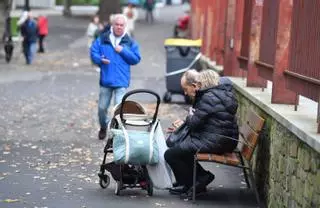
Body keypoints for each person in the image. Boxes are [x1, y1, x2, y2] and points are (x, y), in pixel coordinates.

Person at [164, 69, 239, 198]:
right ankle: (192, 182)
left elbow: (194, 123)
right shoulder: (222, 94)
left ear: (201, 84)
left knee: (171, 154)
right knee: (181, 147)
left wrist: (188, 116)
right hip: (225, 139)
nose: (196, 89)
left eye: (197, 85)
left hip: (216, 140)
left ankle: (198, 179)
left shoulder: (208, 98)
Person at [90, 14, 141, 140]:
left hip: (121, 81)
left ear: (125, 26)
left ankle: (115, 134)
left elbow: (136, 59)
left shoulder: (129, 42)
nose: (119, 27)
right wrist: (100, 59)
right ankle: (103, 126)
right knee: (102, 109)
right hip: (106, 80)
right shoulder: (103, 38)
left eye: (121, 25)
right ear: (112, 25)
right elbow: (93, 52)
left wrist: (123, 51)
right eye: (116, 24)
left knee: (118, 109)